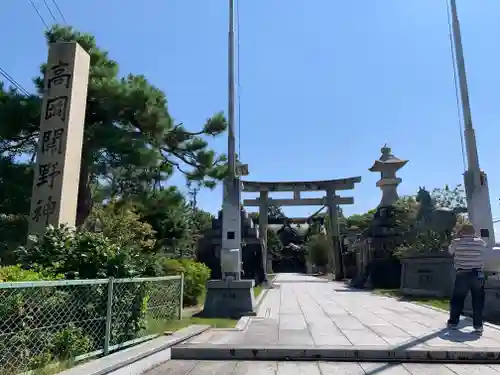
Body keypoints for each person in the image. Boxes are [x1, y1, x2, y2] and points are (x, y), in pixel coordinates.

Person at [447, 222, 486, 333]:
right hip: (477, 274)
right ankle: (478, 325)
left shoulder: (456, 242)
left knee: (458, 299)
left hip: (462, 274)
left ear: (461, 232)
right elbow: (484, 254)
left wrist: (457, 237)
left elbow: (450, 252)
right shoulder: (480, 242)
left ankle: (453, 323)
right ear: (473, 232)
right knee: (478, 300)